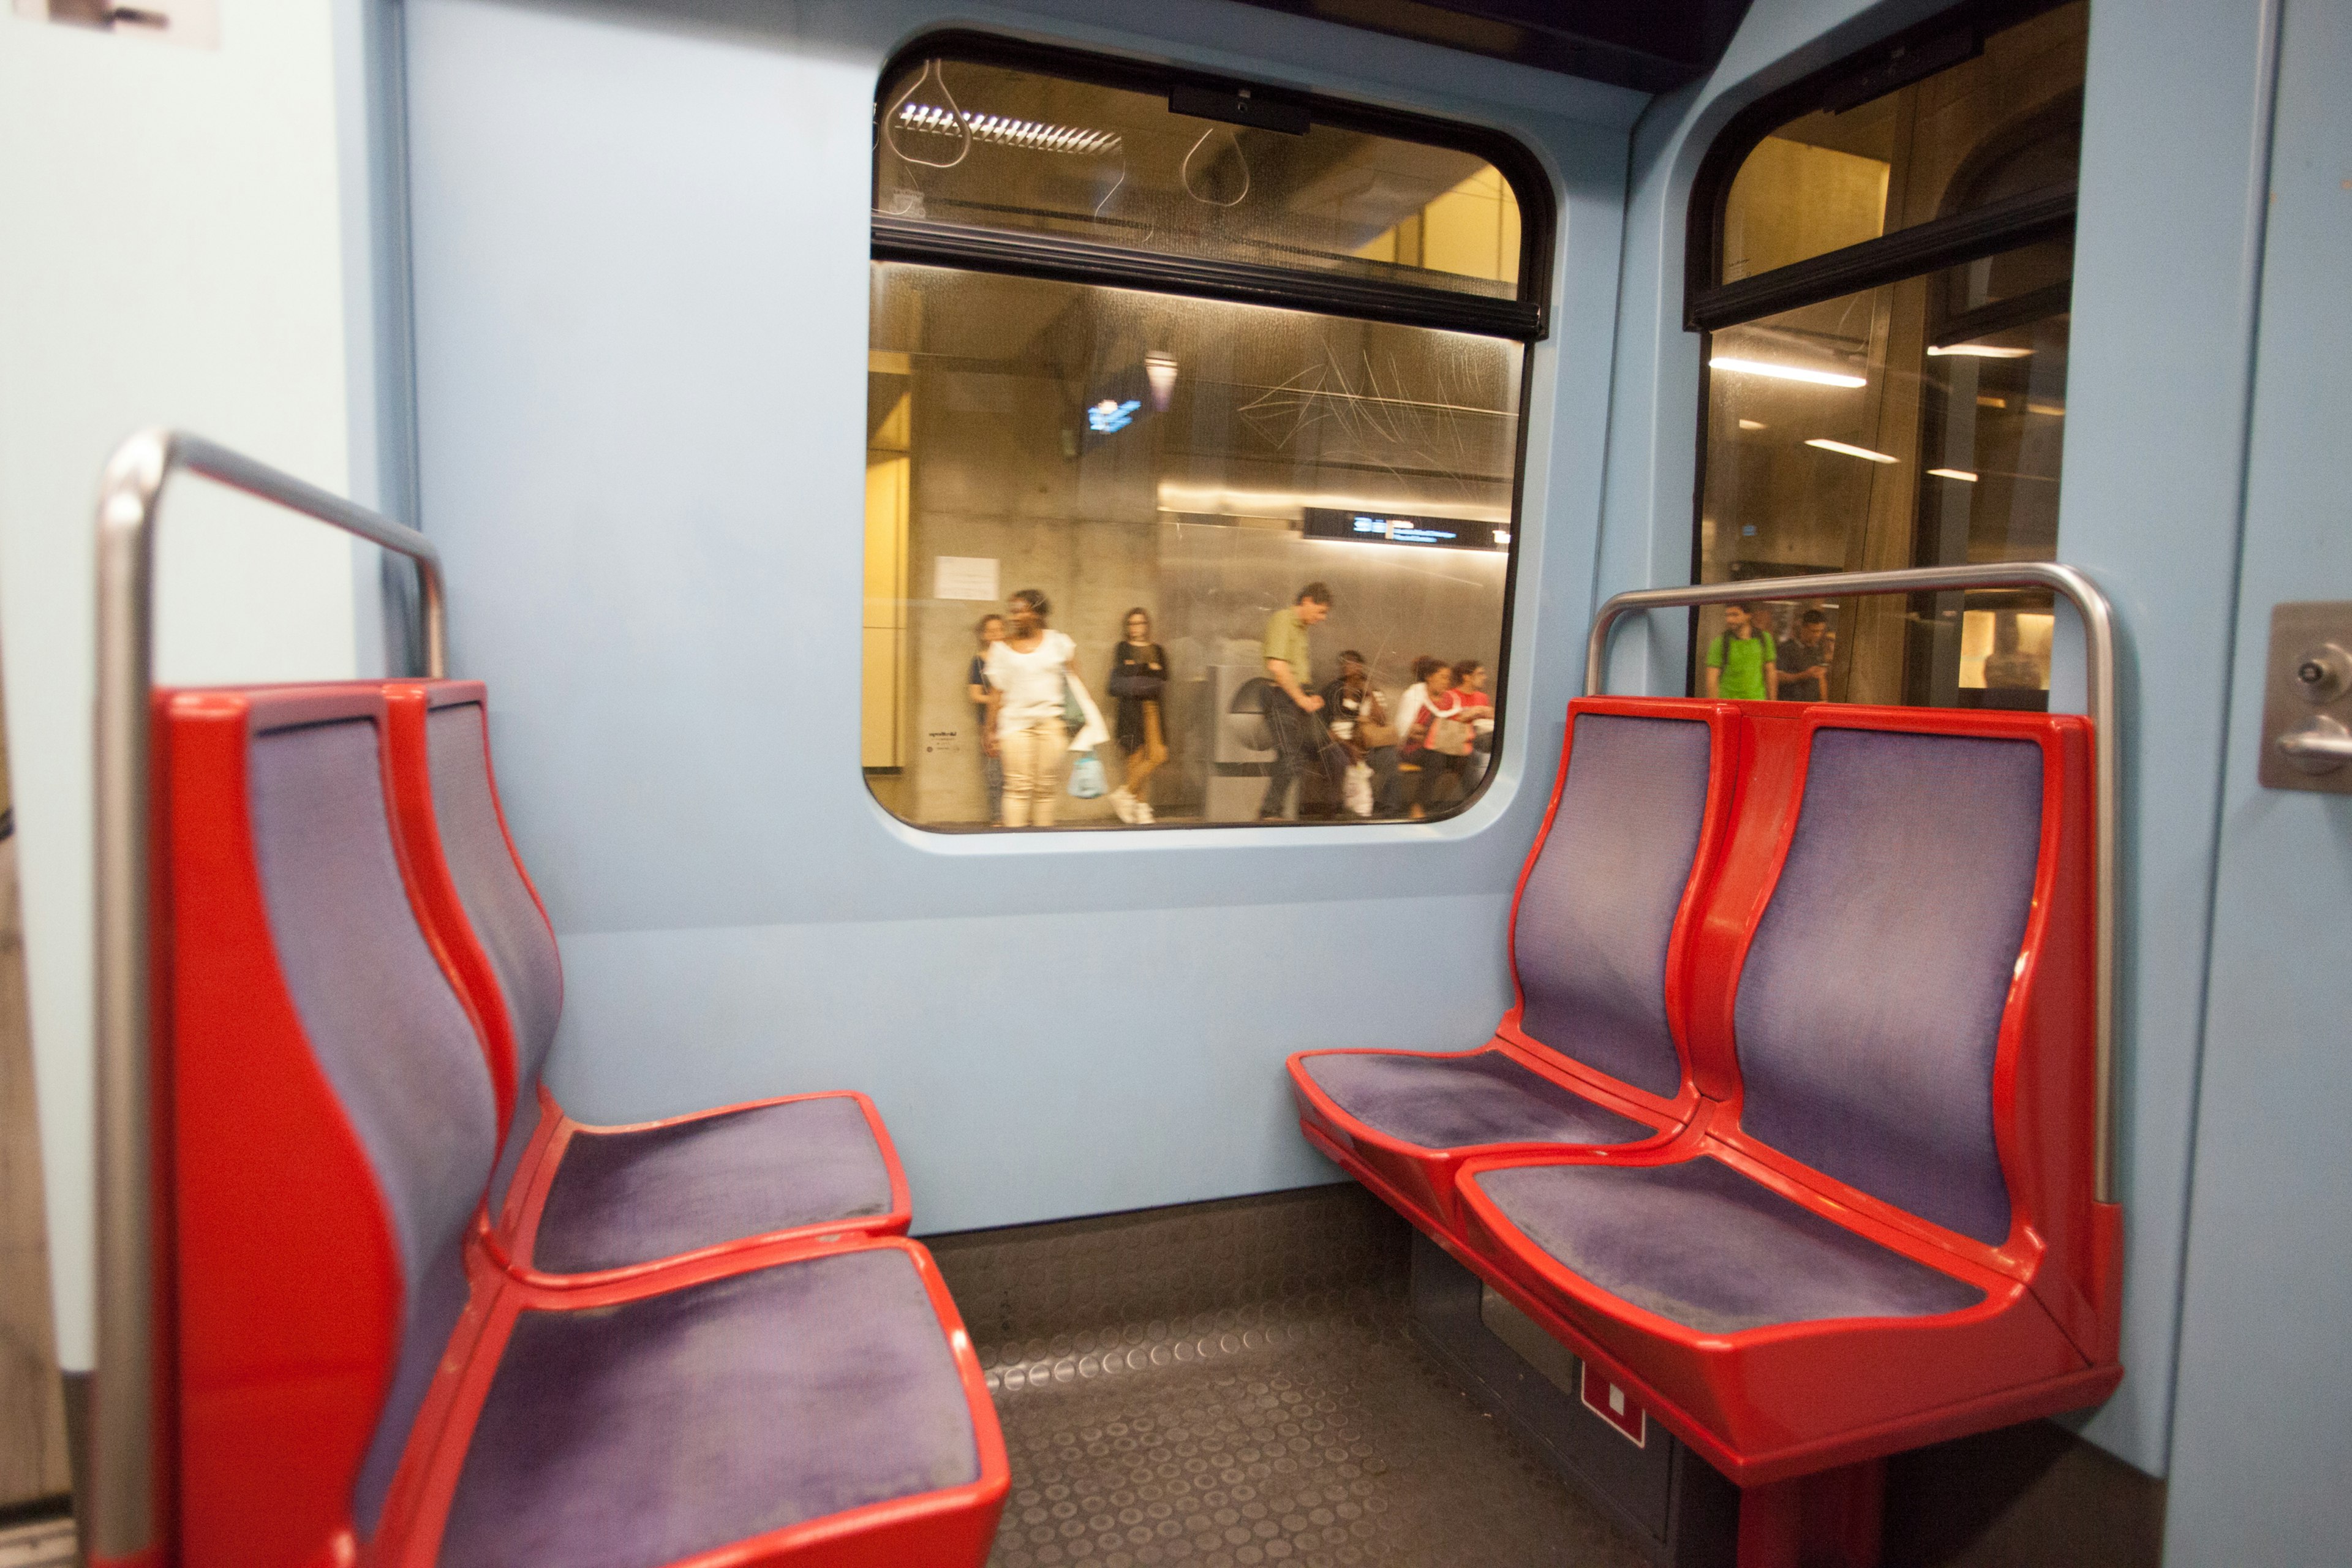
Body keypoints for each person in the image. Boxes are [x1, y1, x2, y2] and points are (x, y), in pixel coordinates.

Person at [983, 589, 1079, 827]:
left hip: (1051, 723)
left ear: (1037, 613)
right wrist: (989, 730)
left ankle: (1042, 849)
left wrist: (1080, 722)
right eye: (1012, 611)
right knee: (1018, 787)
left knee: (1046, 788)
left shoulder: (1059, 643)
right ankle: (1014, 849)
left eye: (1020, 611)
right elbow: (997, 692)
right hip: (1015, 725)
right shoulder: (1001, 648)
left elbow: (1076, 685)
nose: (1013, 617)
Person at [1259, 582, 1345, 821]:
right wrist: (1301, 698)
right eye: (1321, 611)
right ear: (1307, 601)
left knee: (1334, 755)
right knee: (1291, 759)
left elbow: (1296, 672)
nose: (1322, 618)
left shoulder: (1302, 628)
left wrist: (1308, 695)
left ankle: (1330, 815)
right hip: (1279, 697)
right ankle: (1269, 814)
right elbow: (1277, 666)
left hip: (1297, 695)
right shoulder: (1283, 620)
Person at [1321, 650, 1403, 817]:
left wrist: (1370, 693)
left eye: (1353, 663)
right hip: (1340, 742)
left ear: (1361, 666)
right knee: (1338, 759)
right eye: (1345, 663)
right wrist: (1347, 744)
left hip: (1368, 744)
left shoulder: (1371, 689)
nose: (1349, 667)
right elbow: (1323, 725)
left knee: (1390, 758)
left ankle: (1391, 810)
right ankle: (1335, 810)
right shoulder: (1333, 690)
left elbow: (1381, 721)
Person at [1107, 608, 1169, 824]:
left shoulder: (1157, 649)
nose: (1136, 628)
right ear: (1127, 627)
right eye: (1132, 624)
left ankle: (1124, 794)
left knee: (1158, 755)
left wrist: (1138, 671)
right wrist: (1149, 670)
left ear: (1147, 625)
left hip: (1153, 709)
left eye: (1140, 623)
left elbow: (1163, 679)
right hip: (1130, 710)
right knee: (1135, 760)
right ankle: (1140, 808)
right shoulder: (1122, 648)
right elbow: (1126, 677)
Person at [1398, 656, 1475, 818]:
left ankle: (1472, 803)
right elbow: (1403, 728)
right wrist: (1421, 731)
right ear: (1429, 677)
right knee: (1436, 757)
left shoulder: (1450, 700)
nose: (1446, 682)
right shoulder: (1414, 695)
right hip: (1414, 748)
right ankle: (1418, 806)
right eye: (1443, 677)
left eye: (1448, 678)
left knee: (1465, 759)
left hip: (1444, 747)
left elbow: (1456, 725)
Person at [965, 613, 1006, 823]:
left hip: (1015, 724)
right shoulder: (978, 661)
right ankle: (997, 819)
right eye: (991, 631)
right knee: (994, 775)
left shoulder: (1012, 656)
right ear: (983, 635)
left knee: (1015, 775)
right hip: (989, 724)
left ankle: (1016, 819)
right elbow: (975, 694)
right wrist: (996, 700)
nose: (996, 634)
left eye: (1000, 629)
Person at [1703, 602, 1777, 700]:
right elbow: (1712, 678)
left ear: (1748, 615)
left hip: (1756, 701)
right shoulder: (1721, 642)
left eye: (1735, 615)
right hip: (1728, 703)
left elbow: (1770, 672)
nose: (1730, 620)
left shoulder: (1764, 639)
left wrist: (1772, 703)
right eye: (1728, 615)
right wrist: (1715, 706)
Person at [1775, 608, 1833, 701]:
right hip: (1792, 703)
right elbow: (1776, 676)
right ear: (1803, 628)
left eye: (1821, 631)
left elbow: (1821, 678)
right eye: (1814, 631)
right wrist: (1803, 675)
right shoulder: (1786, 648)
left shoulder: (1817, 650)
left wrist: (1824, 701)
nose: (1818, 635)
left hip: (1814, 705)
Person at [1453, 658, 1495, 788]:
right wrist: (1472, 713)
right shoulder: (1452, 696)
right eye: (1480, 674)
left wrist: (1490, 713)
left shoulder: (1482, 697)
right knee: (1481, 750)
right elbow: (1448, 722)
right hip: (1461, 741)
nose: (1485, 677)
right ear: (1467, 677)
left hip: (1481, 739)